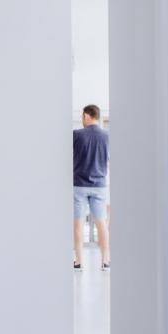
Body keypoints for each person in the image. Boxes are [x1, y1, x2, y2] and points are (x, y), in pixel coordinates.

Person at [73, 104, 110, 271]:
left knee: (78, 225)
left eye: (83, 117)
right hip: (100, 185)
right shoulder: (107, 136)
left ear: (87, 116)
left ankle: (78, 262)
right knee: (101, 224)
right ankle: (105, 261)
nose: (82, 120)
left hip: (79, 185)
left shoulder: (76, 135)